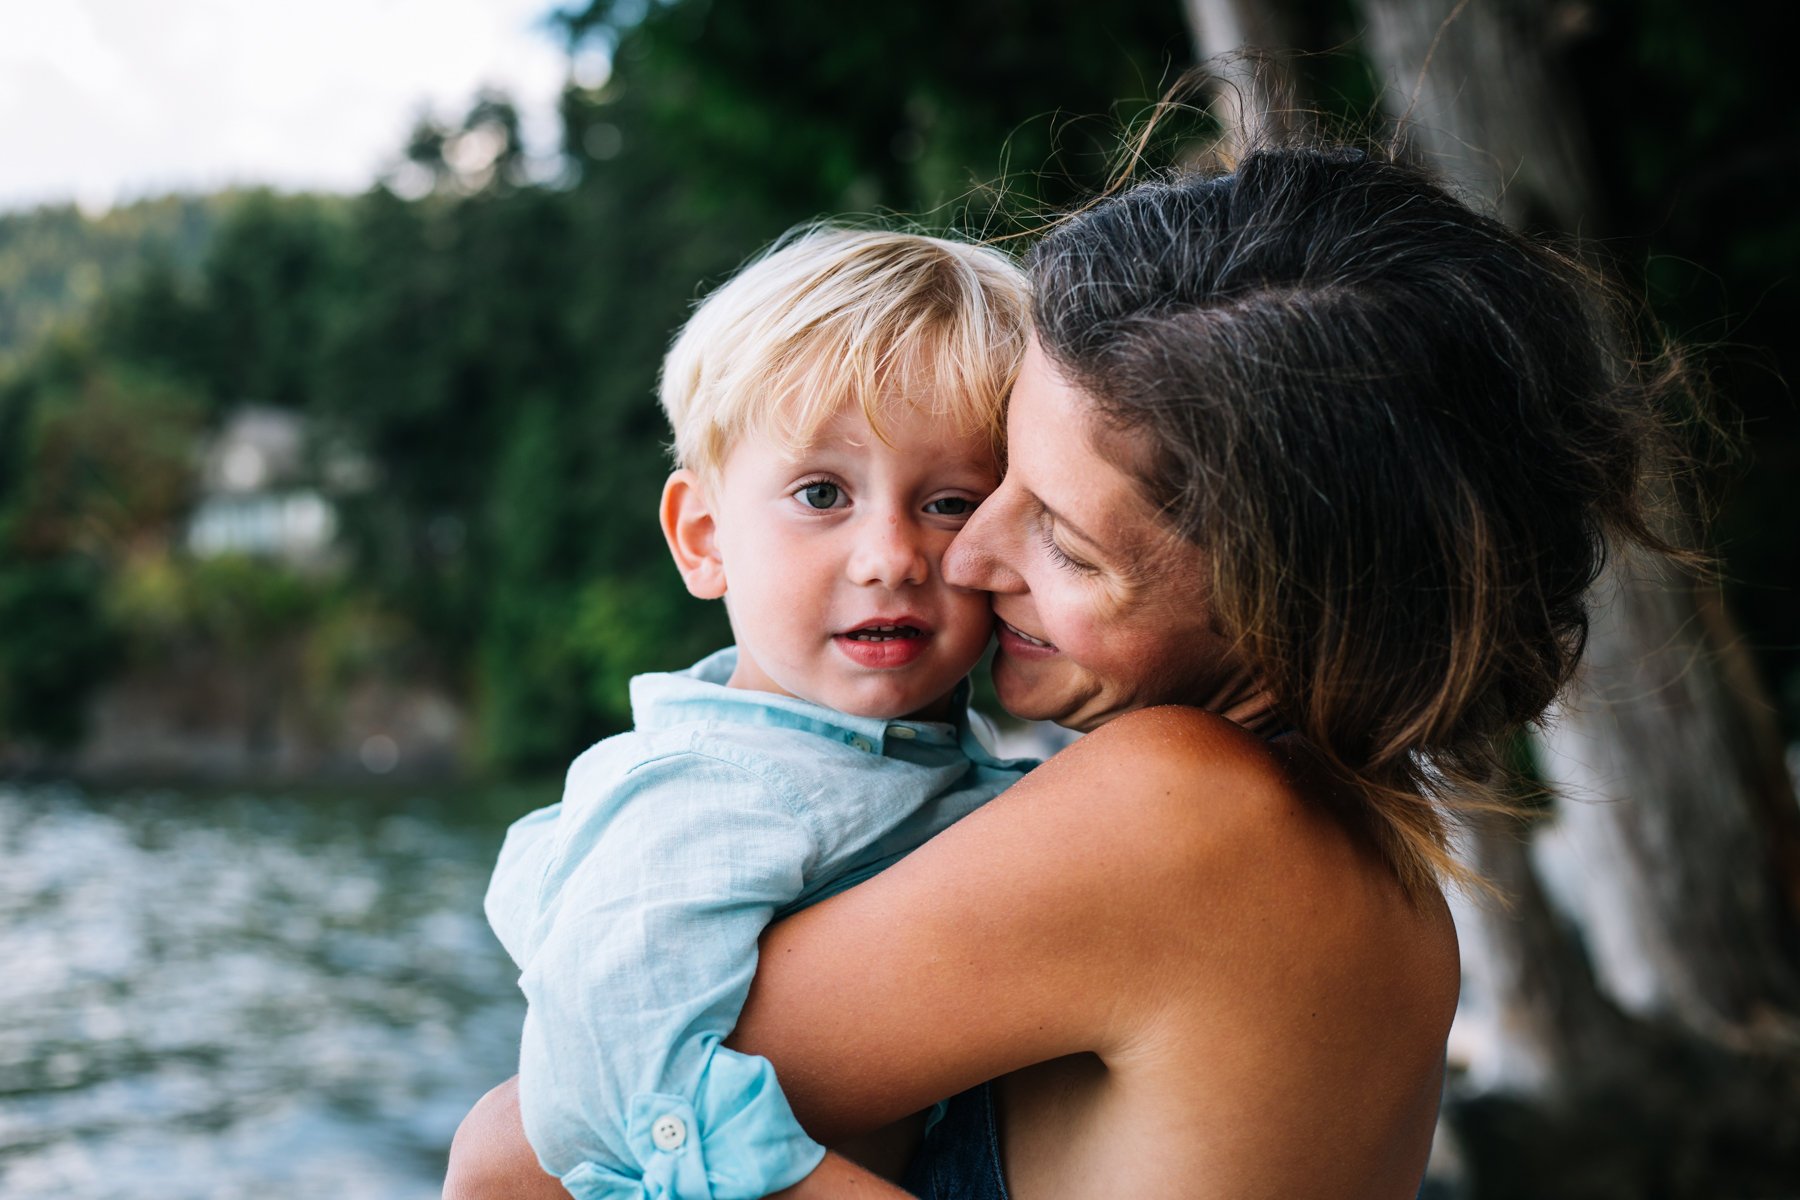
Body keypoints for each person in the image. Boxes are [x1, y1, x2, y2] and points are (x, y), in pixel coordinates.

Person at [446, 144, 1690, 1198]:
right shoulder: (1373, 838)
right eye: (1001, 483)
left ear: (1279, 596)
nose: (965, 556)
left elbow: (517, 1156)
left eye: (1061, 537)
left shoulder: (1182, 808)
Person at [480, 228, 1037, 1200]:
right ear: (704, 539)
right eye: (823, 494)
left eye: (950, 502)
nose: (891, 555)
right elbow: (605, 1076)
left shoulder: (913, 761)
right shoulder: (711, 790)